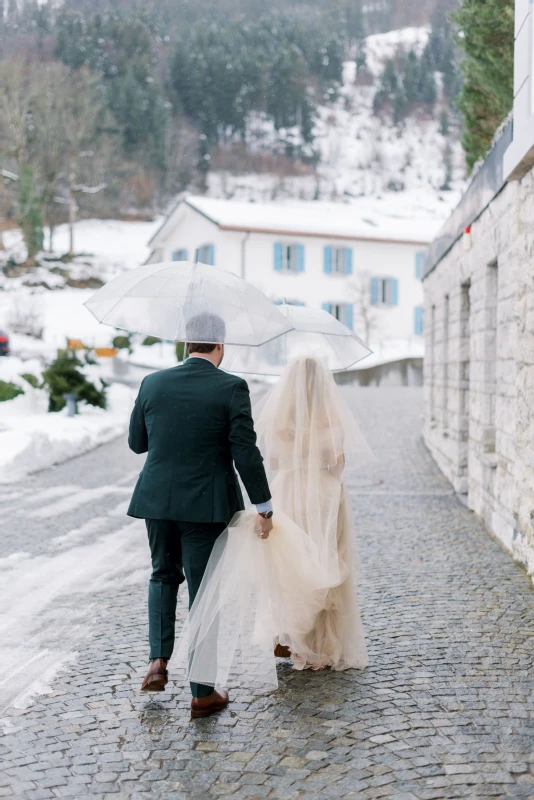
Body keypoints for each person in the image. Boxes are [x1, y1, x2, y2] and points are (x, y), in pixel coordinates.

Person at [177, 356, 372, 692]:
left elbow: (276, 460)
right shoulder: (330, 415)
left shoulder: (281, 416)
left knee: (289, 566)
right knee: (325, 559)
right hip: (324, 494)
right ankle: (321, 644)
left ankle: (290, 635)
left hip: (288, 491)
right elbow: (337, 463)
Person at [127, 312, 273, 719]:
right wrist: (264, 505)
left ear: (185, 343)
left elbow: (137, 443)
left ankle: (158, 659)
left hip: (156, 501)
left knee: (162, 574)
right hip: (206, 508)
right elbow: (245, 451)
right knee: (203, 591)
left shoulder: (152, 383)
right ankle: (202, 693)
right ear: (220, 346)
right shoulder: (231, 387)